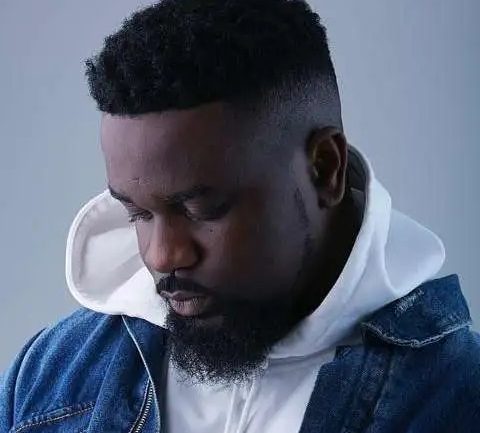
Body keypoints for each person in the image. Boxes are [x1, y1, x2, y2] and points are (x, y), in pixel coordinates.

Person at [1, 0, 479, 432]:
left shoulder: (457, 397)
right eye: (137, 214)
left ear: (324, 168)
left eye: (202, 209)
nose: (162, 256)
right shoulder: (50, 376)